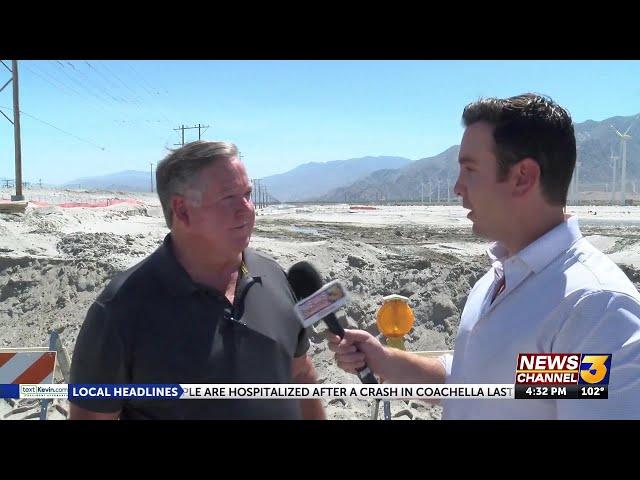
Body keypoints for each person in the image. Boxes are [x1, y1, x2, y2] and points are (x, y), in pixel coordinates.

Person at [329, 93, 640, 419]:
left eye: (470, 170)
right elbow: (478, 382)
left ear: (523, 177)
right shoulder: (495, 282)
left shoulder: (595, 309)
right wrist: (390, 363)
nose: (457, 187)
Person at [69, 141, 326, 420]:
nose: (247, 210)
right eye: (229, 197)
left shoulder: (275, 277)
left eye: (247, 195)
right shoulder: (120, 310)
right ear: (182, 210)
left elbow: (300, 374)